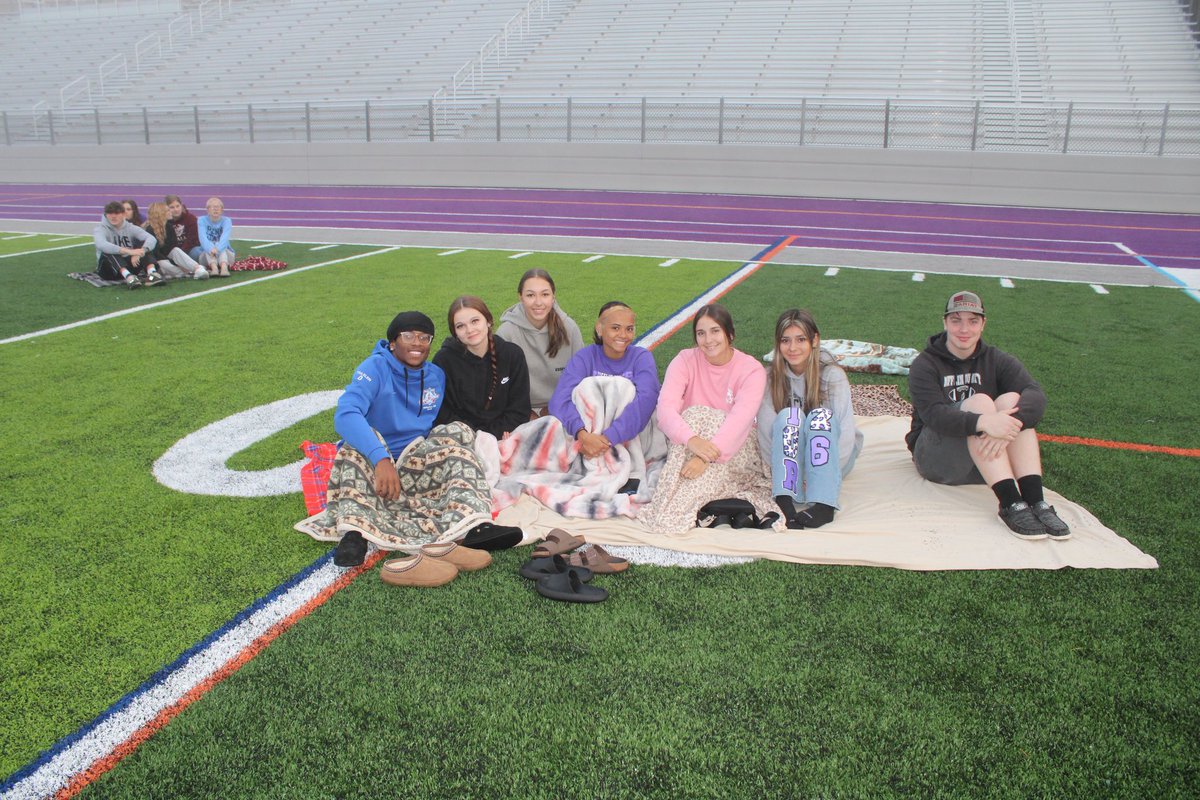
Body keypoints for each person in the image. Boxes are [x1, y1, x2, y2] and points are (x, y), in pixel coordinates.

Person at [298, 311, 516, 582]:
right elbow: (345, 414)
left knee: (458, 433)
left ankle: (474, 525)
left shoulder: (435, 375)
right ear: (392, 342)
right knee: (352, 450)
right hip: (375, 458)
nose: (417, 343)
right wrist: (381, 459)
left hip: (414, 456)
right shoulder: (373, 368)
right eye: (408, 336)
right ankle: (355, 534)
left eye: (424, 337)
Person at [906, 291, 1070, 541]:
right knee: (980, 402)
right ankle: (1010, 503)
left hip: (986, 466)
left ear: (983, 323)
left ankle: (1035, 501)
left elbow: (1035, 395)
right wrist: (984, 422)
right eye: (956, 320)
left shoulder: (996, 358)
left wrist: (1006, 426)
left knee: (1013, 402)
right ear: (945, 322)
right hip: (937, 460)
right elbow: (934, 415)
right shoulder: (925, 363)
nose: (964, 329)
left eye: (972, 321)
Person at [641, 304, 772, 534]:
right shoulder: (684, 360)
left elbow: (740, 422)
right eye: (701, 333)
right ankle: (671, 508)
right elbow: (665, 410)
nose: (708, 340)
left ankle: (673, 511)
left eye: (715, 331)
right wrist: (692, 441)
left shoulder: (752, 370)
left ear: (729, 334)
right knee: (692, 417)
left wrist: (704, 458)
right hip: (690, 444)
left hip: (735, 448)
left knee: (695, 415)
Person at [757, 308, 863, 529]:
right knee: (789, 416)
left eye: (800, 339)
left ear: (814, 340)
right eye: (785, 340)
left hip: (831, 460)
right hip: (789, 463)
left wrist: (817, 477)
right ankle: (785, 498)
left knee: (819, 417)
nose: (793, 348)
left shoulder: (832, 376)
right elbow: (766, 436)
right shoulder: (770, 377)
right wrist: (783, 473)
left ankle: (824, 504)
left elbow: (845, 439)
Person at [548, 300, 660, 479]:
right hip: (586, 442)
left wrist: (607, 439)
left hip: (629, 440)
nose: (623, 335)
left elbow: (647, 400)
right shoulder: (585, 357)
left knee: (625, 389)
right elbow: (559, 400)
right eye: (615, 328)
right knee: (586, 388)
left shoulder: (641, 357)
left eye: (629, 328)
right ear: (600, 329)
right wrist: (582, 435)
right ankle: (594, 467)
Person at [433, 295, 532, 439]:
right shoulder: (444, 361)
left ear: (488, 321)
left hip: (506, 435)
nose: (469, 329)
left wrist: (495, 436)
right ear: (455, 332)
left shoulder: (512, 355)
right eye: (460, 326)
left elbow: (520, 408)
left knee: (550, 427)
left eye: (475, 321)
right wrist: (477, 437)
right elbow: (443, 413)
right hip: (463, 438)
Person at [496, 269, 586, 417]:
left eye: (545, 294)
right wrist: (525, 412)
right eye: (530, 295)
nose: (538, 302)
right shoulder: (506, 333)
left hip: (562, 404)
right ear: (521, 297)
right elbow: (501, 385)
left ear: (553, 297)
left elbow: (581, 377)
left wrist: (556, 406)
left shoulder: (569, 327)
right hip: (520, 409)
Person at [93, 200, 163, 288]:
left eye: (117, 213)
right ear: (106, 215)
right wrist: (129, 252)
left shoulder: (130, 227)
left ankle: (152, 274)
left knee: (144, 246)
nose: (113, 216)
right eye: (110, 213)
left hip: (130, 266)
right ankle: (129, 277)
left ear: (123, 214)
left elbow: (151, 238)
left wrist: (141, 251)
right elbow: (101, 244)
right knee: (109, 251)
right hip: (108, 270)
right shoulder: (100, 229)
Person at [142, 202, 209, 280]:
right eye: (168, 210)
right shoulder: (149, 229)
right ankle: (186, 273)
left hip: (167, 258)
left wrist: (177, 263)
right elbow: (155, 254)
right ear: (161, 214)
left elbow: (171, 248)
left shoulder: (169, 226)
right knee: (164, 263)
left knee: (176, 250)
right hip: (156, 262)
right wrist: (172, 263)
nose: (171, 212)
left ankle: (197, 268)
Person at [195, 196, 234, 276]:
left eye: (218, 207)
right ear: (208, 210)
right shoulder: (201, 220)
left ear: (222, 210)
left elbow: (224, 239)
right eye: (212, 207)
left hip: (227, 255)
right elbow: (203, 238)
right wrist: (210, 249)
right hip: (206, 256)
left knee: (219, 245)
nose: (215, 209)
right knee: (209, 247)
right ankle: (214, 268)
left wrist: (217, 249)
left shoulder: (227, 221)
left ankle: (224, 268)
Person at [165, 194, 202, 262]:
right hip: (172, 252)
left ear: (181, 205)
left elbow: (192, 240)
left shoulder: (191, 218)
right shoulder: (164, 221)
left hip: (189, 250)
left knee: (198, 251)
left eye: (177, 206)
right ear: (166, 208)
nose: (176, 209)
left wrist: (181, 253)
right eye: (172, 207)